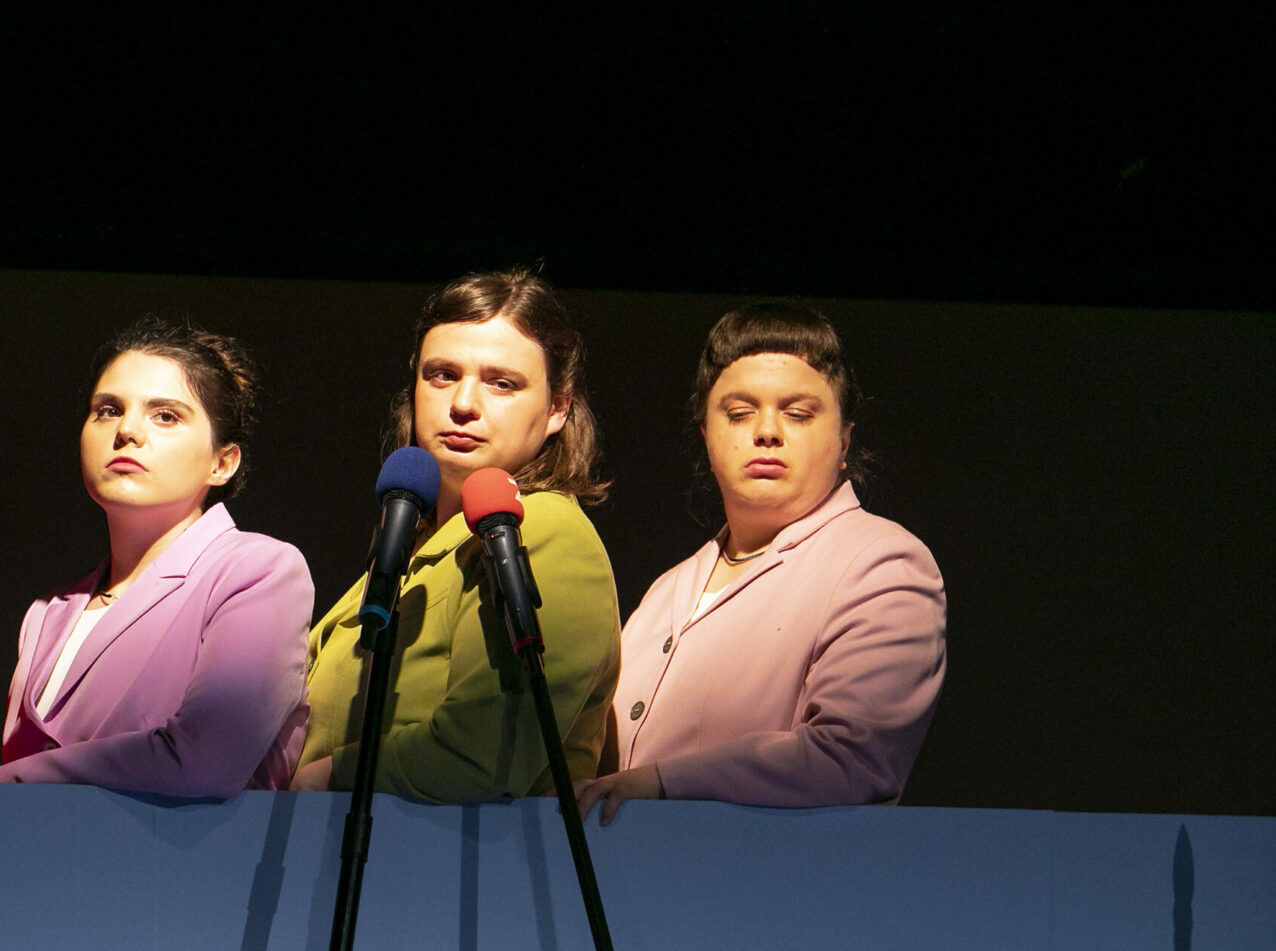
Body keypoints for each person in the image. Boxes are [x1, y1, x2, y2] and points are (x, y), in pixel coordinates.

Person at [576, 301, 946, 823]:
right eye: (739, 413)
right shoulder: (667, 590)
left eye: (798, 413)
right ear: (706, 437)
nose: (767, 431)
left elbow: (851, 759)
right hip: (631, 884)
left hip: (769, 889)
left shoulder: (882, 563)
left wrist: (661, 783)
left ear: (844, 439)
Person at [292, 269, 620, 803]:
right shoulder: (414, 546)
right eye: (442, 374)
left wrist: (327, 775)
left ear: (557, 408)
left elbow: (487, 751)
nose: (463, 403)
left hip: (461, 871)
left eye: (502, 382)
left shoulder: (546, 529)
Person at [0, 318, 313, 795]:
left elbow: (208, 757)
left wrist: (9, 782)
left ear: (222, 462)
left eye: (165, 415)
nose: (127, 431)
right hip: (44, 865)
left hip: (186, 865)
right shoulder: (47, 613)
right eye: (107, 410)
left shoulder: (257, 571)